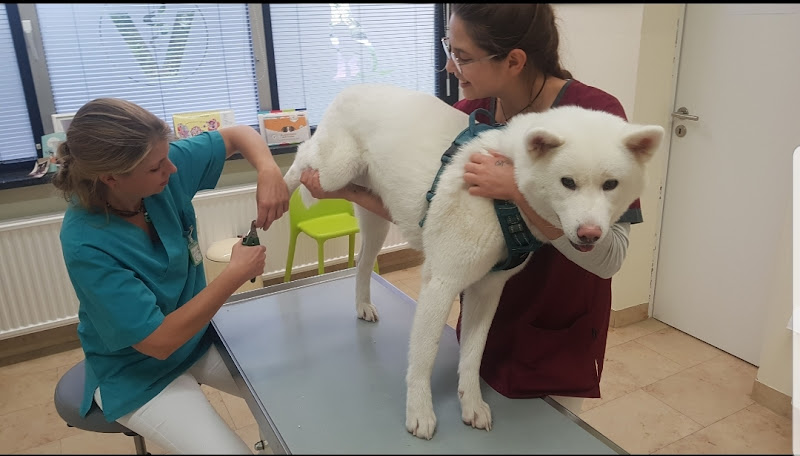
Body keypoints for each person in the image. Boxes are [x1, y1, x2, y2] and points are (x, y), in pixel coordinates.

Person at [300, 3, 641, 415]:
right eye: (449, 48)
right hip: (480, 329)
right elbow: (435, 224)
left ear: (513, 60)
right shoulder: (467, 118)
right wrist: (350, 192)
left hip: (554, 337)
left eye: (462, 56)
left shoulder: (594, 118)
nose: (449, 67)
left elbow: (610, 259)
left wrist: (518, 190)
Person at [52, 98, 289, 454]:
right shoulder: (86, 243)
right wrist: (235, 274)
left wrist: (268, 170)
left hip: (200, 340)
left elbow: (238, 135)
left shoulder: (159, 172)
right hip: (139, 372)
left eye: (167, 157)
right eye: (157, 166)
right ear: (112, 178)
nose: (172, 169)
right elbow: (157, 342)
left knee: (290, 392)